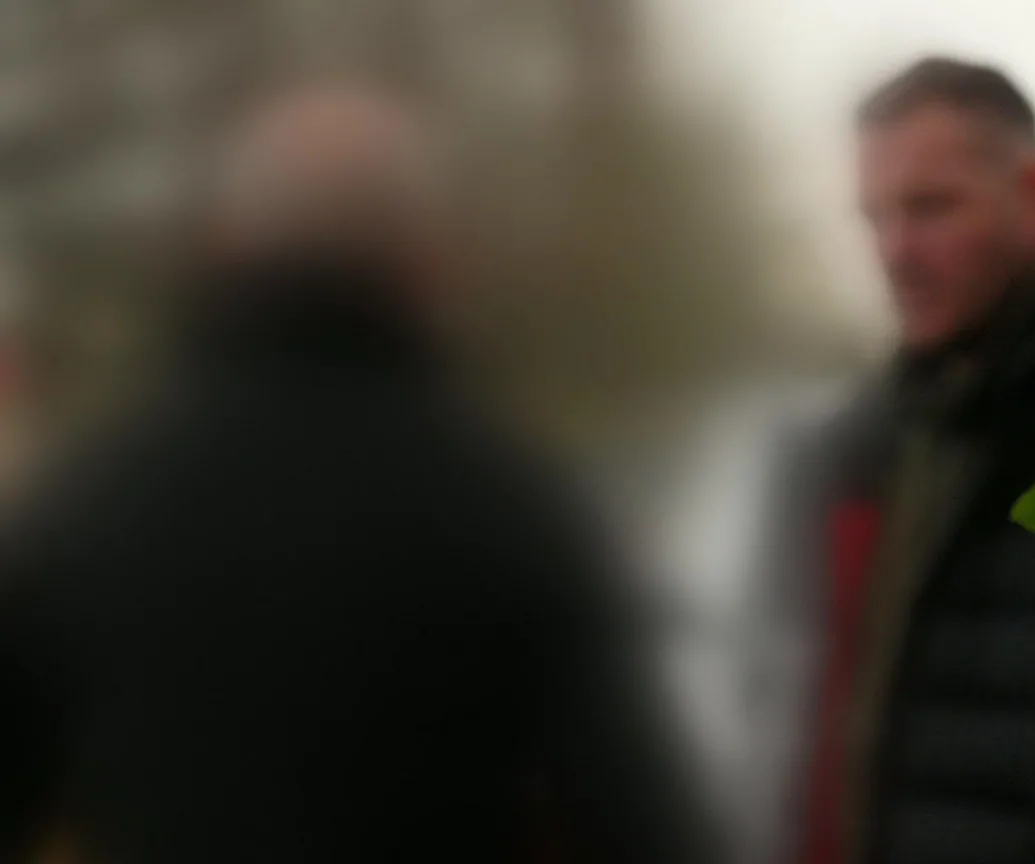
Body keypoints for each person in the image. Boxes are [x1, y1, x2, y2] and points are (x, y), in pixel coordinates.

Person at [0, 83, 710, 864]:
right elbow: (645, 825)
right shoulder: (511, 506)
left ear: (222, 247)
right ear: (427, 265)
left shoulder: (85, 505)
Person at [778, 58, 1035, 864]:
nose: (895, 251)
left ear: (1032, 193)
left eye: (930, 208)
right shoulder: (880, 434)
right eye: (874, 218)